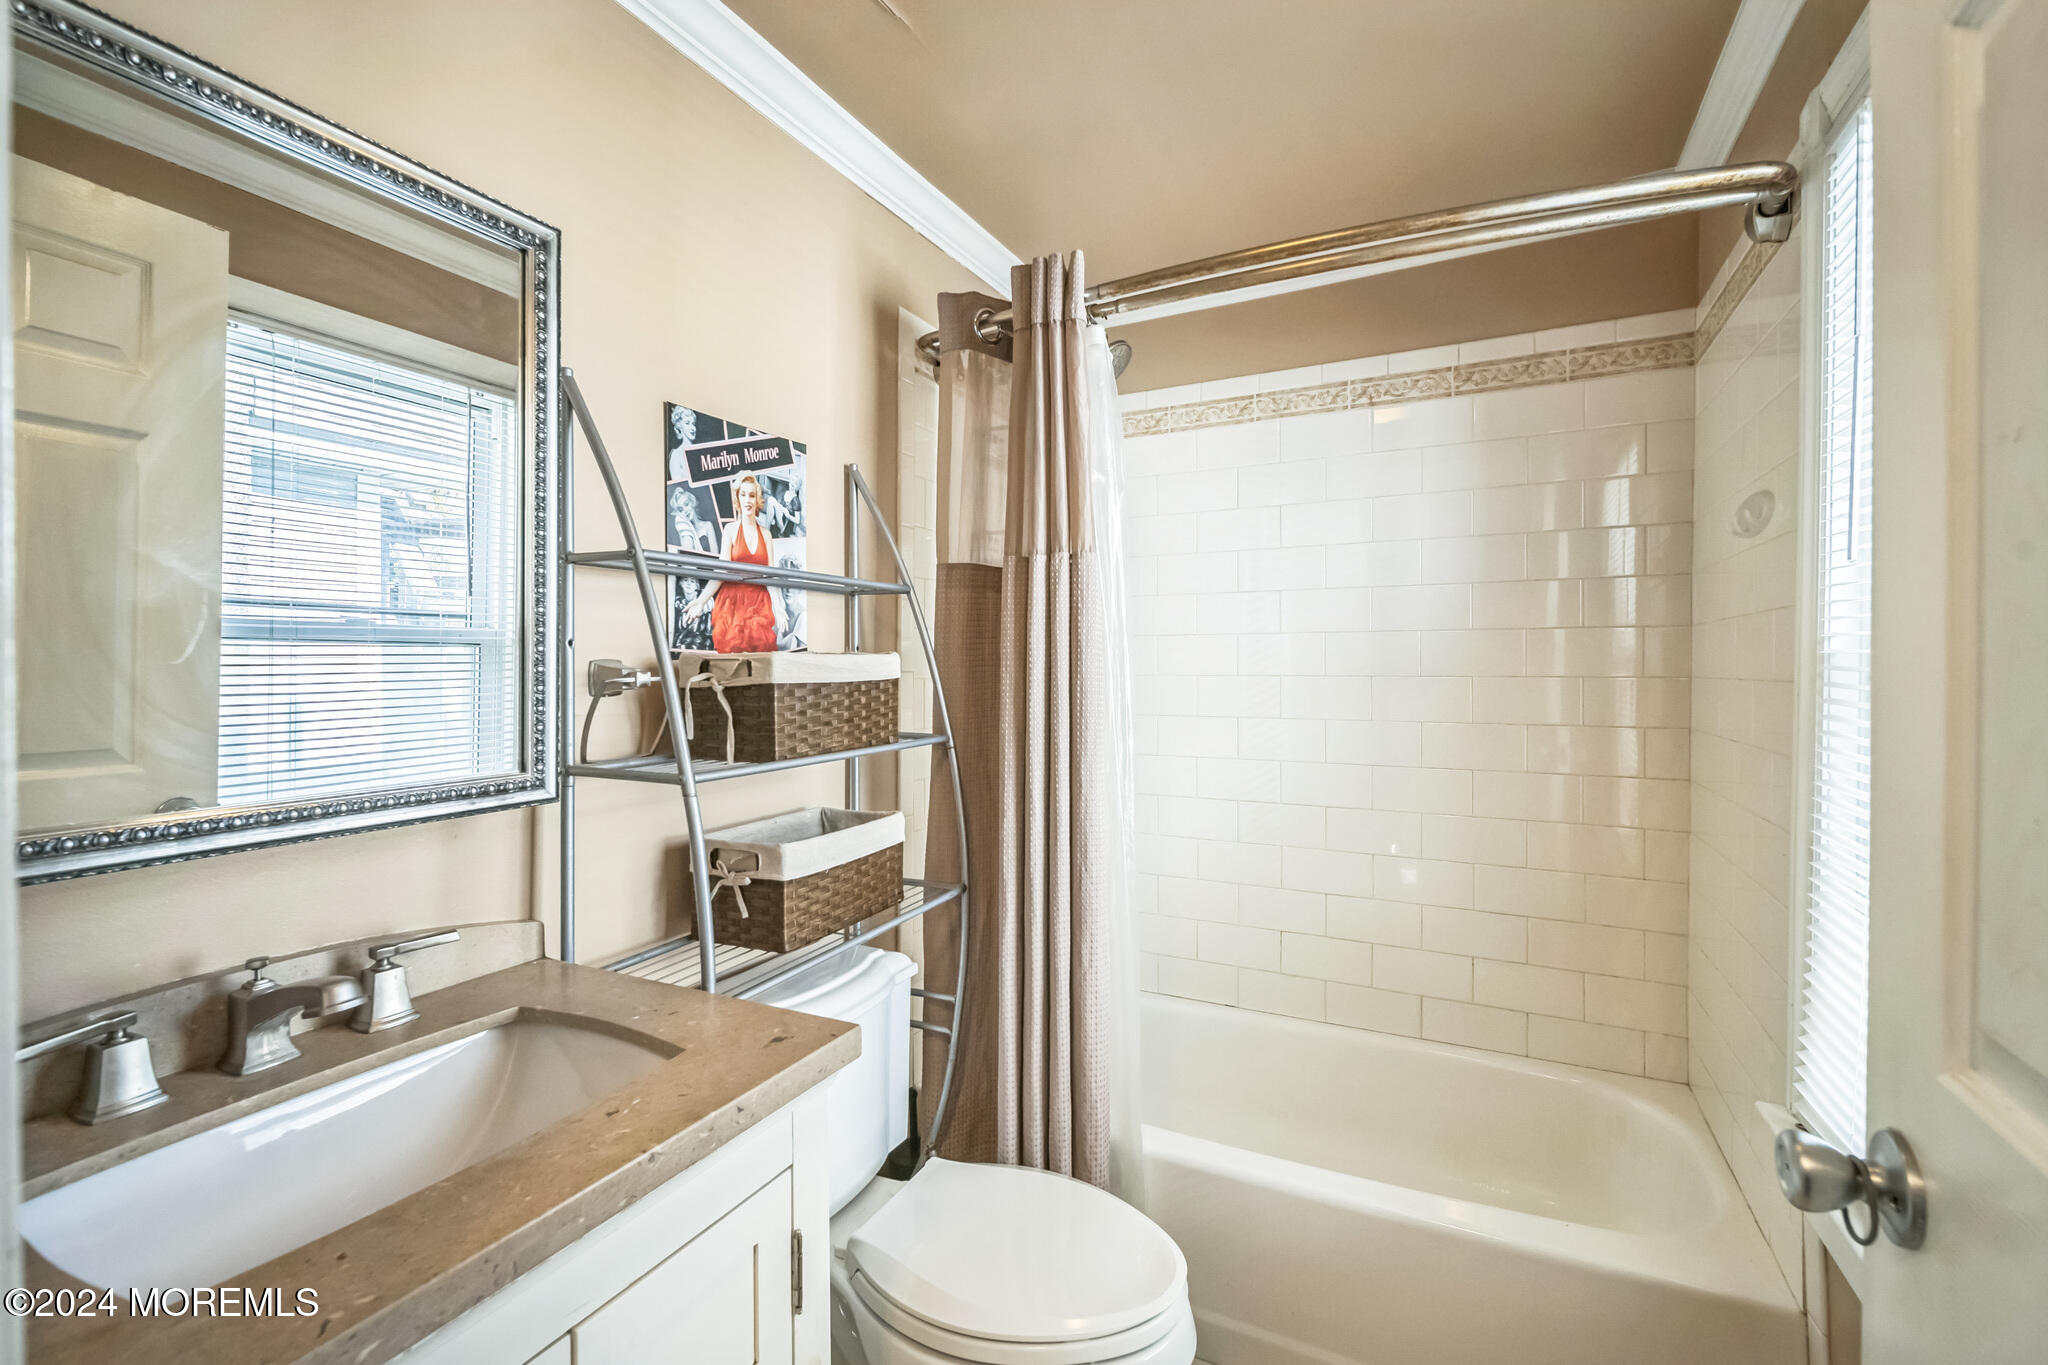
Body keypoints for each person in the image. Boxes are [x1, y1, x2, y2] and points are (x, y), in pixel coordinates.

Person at [679, 474, 781, 652]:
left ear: (757, 499)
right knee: (732, 657)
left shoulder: (766, 534)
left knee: (761, 658)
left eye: (751, 495)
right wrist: (701, 601)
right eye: (743, 495)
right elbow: (721, 571)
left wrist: (778, 606)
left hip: (758, 602)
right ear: (737, 498)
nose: (747, 500)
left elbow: (770, 574)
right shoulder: (731, 530)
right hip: (732, 602)